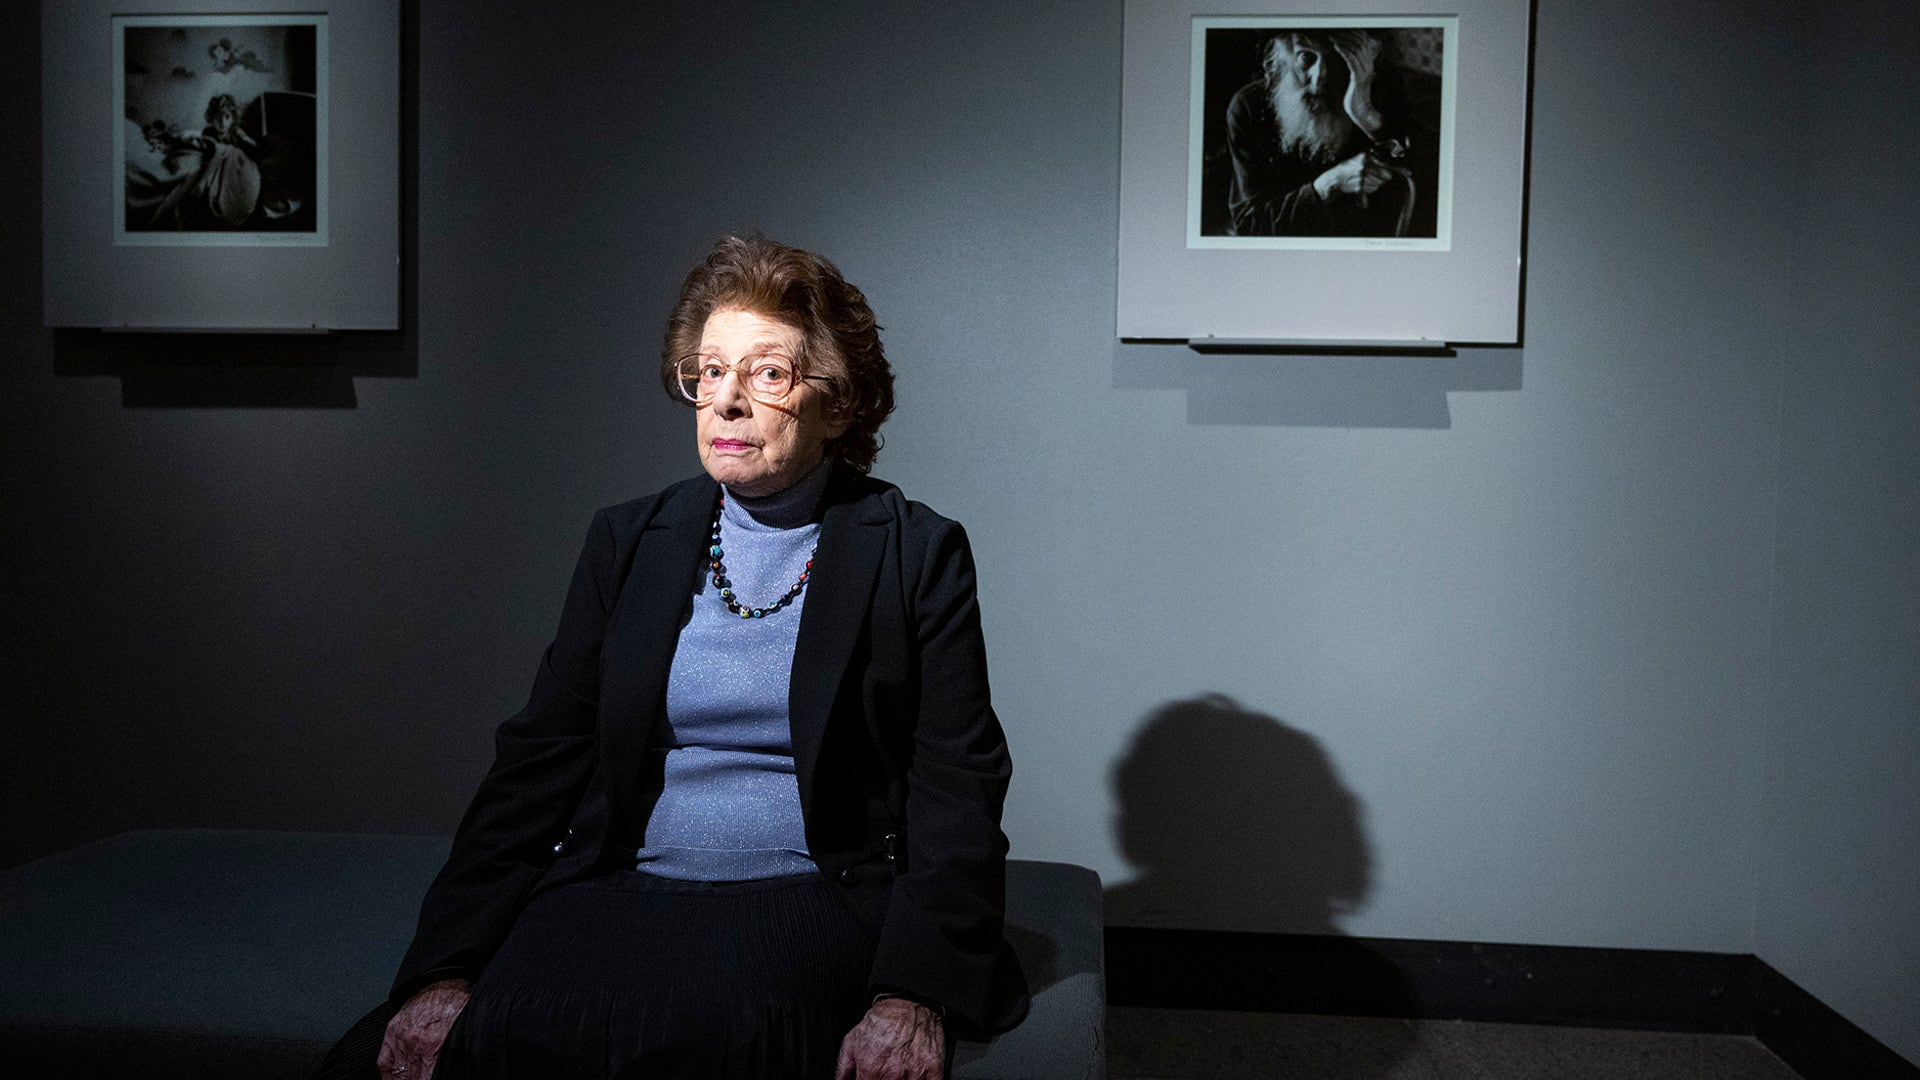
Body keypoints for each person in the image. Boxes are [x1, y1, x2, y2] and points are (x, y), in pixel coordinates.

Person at [316, 235, 1027, 1080]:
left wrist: (913, 991)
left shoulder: (915, 551)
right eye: (708, 371)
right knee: (473, 1041)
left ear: (841, 406)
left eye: (768, 373)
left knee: (721, 1037)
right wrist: (444, 967)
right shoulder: (629, 540)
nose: (725, 401)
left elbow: (956, 782)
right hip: (618, 886)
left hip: (808, 894)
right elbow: (537, 763)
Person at [1224, 30, 1440, 238]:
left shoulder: (1382, 91)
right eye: (1306, 57)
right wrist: (1328, 185)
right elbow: (1251, 226)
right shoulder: (1250, 106)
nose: (1319, 77)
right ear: (1285, 55)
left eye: (1338, 58)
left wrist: (1366, 114)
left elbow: (1431, 190)